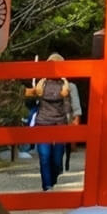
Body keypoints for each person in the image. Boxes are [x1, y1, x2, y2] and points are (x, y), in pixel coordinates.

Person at [28, 54, 74, 191]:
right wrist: (36, 92)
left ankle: (53, 178)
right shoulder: (41, 83)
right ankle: (47, 185)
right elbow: (32, 99)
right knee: (44, 155)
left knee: (57, 157)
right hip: (43, 121)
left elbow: (68, 107)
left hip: (59, 122)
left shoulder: (66, 85)